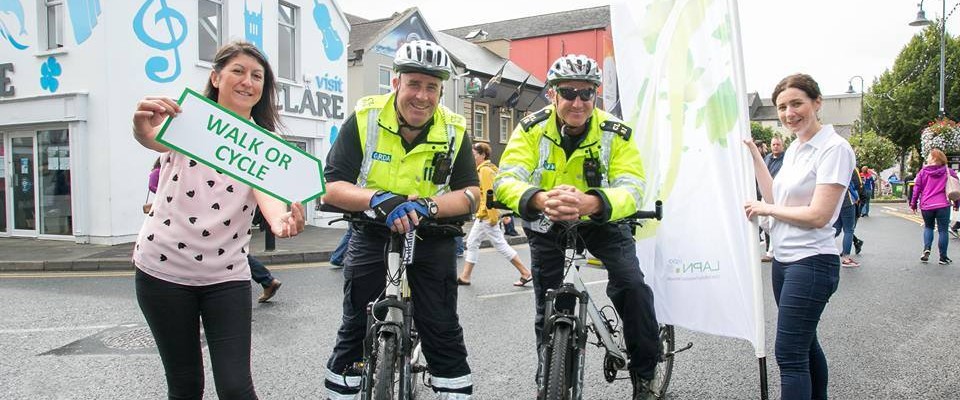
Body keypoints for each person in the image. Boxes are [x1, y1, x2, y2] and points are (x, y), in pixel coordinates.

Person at [131, 41, 305, 399]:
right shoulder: (188, 120)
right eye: (238, 71)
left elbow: (269, 198)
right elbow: (150, 138)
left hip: (226, 276)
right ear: (216, 77)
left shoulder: (265, 143)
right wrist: (140, 125)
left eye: (257, 76)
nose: (248, 81)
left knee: (236, 388)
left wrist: (281, 222)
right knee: (185, 385)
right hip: (161, 271)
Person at [494, 54, 659, 398]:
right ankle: (548, 381)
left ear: (596, 95)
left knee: (632, 287)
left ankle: (645, 373)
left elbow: (633, 185)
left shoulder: (616, 132)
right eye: (568, 92)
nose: (578, 102)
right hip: (547, 223)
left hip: (602, 222)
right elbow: (507, 178)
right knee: (548, 307)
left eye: (587, 93)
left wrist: (594, 202)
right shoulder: (530, 129)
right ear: (552, 94)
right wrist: (539, 199)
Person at [321, 39, 479, 399]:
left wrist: (429, 206)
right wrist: (377, 198)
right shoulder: (365, 118)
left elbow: (471, 193)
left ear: (440, 92)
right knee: (355, 325)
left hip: (431, 235)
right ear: (396, 84)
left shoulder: (454, 129)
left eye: (432, 88)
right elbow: (330, 185)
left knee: (441, 327)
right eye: (414, 84)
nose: (422, 96)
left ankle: (452, 391)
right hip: (373, 230)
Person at [744, 73, 853, 400]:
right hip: (784, 261)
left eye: (796, 104)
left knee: (790, 353)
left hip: (813, 263)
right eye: (782, 107)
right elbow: (776, 196)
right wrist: (752, 152)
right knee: (805, 345)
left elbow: (819, 216)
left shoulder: (834, 148)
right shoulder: (795, 148)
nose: (789, 113)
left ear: (816, 103)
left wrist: (767, 210)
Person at [456, 142, 532, 286]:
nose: (472, 158)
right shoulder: (487, 169)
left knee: (500, 244)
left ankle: (525, 272)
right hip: (484, 214)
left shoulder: (485, 170)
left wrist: (491, 215)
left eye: (474, 155)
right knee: (472, 242)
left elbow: (489, 193)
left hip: (486, 214)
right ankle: (465, 276)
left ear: (483, 155)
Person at [909, 148, 959, 264]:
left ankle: (926, 249)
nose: (927, 159)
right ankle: (943, 257)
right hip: (943, 205)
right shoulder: (949, 172)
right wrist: (956, 204)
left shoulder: (923, 172)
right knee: (943, 231)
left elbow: (917, 189)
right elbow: (955, 189)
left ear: (933, 159)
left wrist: (913, 204)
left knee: (928, 227)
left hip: (927, 205)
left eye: (929, 157)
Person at [761, 136, 785, 262]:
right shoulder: (768, 158)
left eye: (778, 144)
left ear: (782, 146)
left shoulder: (785, 159)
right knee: (763, 222)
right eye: (773, 144)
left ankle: (770, 253)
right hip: (766, 193)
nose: (775, 147)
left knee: (772, 222)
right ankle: (779, 237)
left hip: (777, 194)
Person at [833, 169, 862, 267]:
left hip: (833, 200)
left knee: (836, 228)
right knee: (849, 230)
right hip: (847, 200)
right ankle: (846, 259)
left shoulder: (830, 164)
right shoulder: (850, 167)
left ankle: (820, 248)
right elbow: (858, 184)